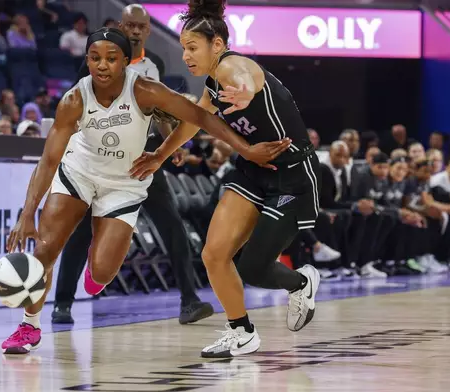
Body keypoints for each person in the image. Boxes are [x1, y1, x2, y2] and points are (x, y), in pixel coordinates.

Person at [2, 27, 291, 354]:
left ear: (126, 61)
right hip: (78, 173)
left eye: (111, 58)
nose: (102, 65)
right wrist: (27, 213)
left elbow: (200, 116)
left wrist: (246, 149)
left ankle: (99, 266)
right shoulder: (75, 99)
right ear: (86, 60)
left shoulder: (144, 89)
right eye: (95, 58)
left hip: (124, 182)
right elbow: (49, 158)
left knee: (101, 271)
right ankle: (29, 325)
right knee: (44, 251)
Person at [130, 0, 321, 358]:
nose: (186, 55)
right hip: (252, 172)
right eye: (184, 48)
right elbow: (194, 122)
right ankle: (242, 332)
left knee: (253, 267)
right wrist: (159, 155)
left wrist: (246, 92)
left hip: (293, 177)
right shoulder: (213, 83)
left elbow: (246, 80)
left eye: (192, 48)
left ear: (217, 45)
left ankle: (301, 281)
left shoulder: (235, 67)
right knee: (214, 254)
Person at [52, 3, 213, 326]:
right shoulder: (97, 64)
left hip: (146, 154)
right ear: (121, 27)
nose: (136, 31)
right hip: (99, 156)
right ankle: (63, 303)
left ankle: (189, 300)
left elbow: (159, 110)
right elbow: (78, 106)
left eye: (141, 26)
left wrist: (170, 145)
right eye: (130, 26)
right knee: (82, 230)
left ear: (148, 30)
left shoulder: (155, 64)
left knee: (172, 225)